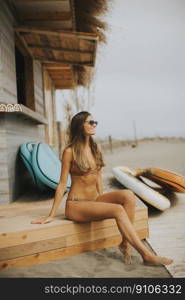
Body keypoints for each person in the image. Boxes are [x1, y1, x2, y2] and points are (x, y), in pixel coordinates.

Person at [31, 111, 173, 266]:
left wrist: (102, 202)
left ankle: (125, 243)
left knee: (128, 195)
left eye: (95, 122)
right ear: (80, 126)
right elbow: (62, 183)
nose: (94, 125)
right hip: (76, 205)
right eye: (90, 122)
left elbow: (98, 178)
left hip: (93, 200)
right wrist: (51, 214)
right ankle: (146, 255)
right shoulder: (69, 152)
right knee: (118, 210)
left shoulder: (96, 148)